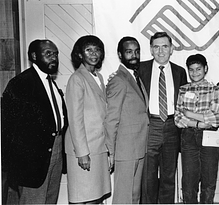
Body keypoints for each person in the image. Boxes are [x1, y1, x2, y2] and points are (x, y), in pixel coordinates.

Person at [1, 39, 67, 204]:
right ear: (34, 56)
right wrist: (12, 166)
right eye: (48, 54)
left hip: (56, 149)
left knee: (50, 200)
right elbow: (8, 128)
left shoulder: (50, 83)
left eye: (56, 54)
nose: (54, 58)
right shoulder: (21, 84)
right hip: (32, 160)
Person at [139, 31, 188, 204]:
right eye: (156, 47)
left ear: (172, 49)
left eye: (165, 46)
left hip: (171, 126)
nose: (161, 51)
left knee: (169, 174)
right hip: (149, 125)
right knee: (148, 176)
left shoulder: (180, 72)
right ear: (151, 50)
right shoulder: (140, 69)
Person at [64, 35, 111, 204]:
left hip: (98, 147)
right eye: (88, 50)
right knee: (81, 197)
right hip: (83, 150)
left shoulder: (98, 78)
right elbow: (75, 119)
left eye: (97, 49)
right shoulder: (77, 79)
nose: (94, 54)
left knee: (95, 196)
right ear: (79, 54)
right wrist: (82, 153)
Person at [105, 36, 149, 204]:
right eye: (129, 52)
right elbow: (111, 118)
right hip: (125, 150)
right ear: (120, 54)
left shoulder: (134, 77)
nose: (134, 56)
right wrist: (111, 151)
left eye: (137, 51)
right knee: (123, 198)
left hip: (137, 147)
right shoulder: (118, 80)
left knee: (134, 196)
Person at [174, 54, 219, 204]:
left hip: (210, 136)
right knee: (189, 180)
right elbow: (177, 118)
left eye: (198, 69)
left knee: (209, 179)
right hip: (188, 137)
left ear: (205, 69)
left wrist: (189, 114)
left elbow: (216, 118)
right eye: (191, 70)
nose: (195, 73)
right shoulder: (183, 90)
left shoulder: (215, 89)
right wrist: (198, 123)